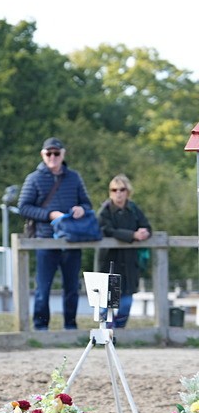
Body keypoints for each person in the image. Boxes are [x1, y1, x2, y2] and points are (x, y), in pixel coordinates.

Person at [18, 137, 92, 330]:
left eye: (56, 153)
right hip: (45, 239)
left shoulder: (74, 177)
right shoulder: (33, 178)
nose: (52, 157)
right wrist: (49, 214)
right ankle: (41, 328)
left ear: (63, 154)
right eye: (48, 153)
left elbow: (87, 203)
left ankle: (70, 326)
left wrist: (81, 209)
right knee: (43, 288)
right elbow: (23, 207)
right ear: (43, 155)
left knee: (72, 288)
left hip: (71, 239)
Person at [96, 174, 151, 328]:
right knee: (106, 304)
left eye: (122, 189)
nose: (118, 193)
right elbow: (106, 230)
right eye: (114, 190)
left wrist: (144, 232)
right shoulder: (105, 210)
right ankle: (105, 334)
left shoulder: (133, 209)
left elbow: (147, 226)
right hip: (109, 262)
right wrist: (132, 235)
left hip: (129, 263)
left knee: (126, 303)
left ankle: (119, 333)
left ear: (128, 191)